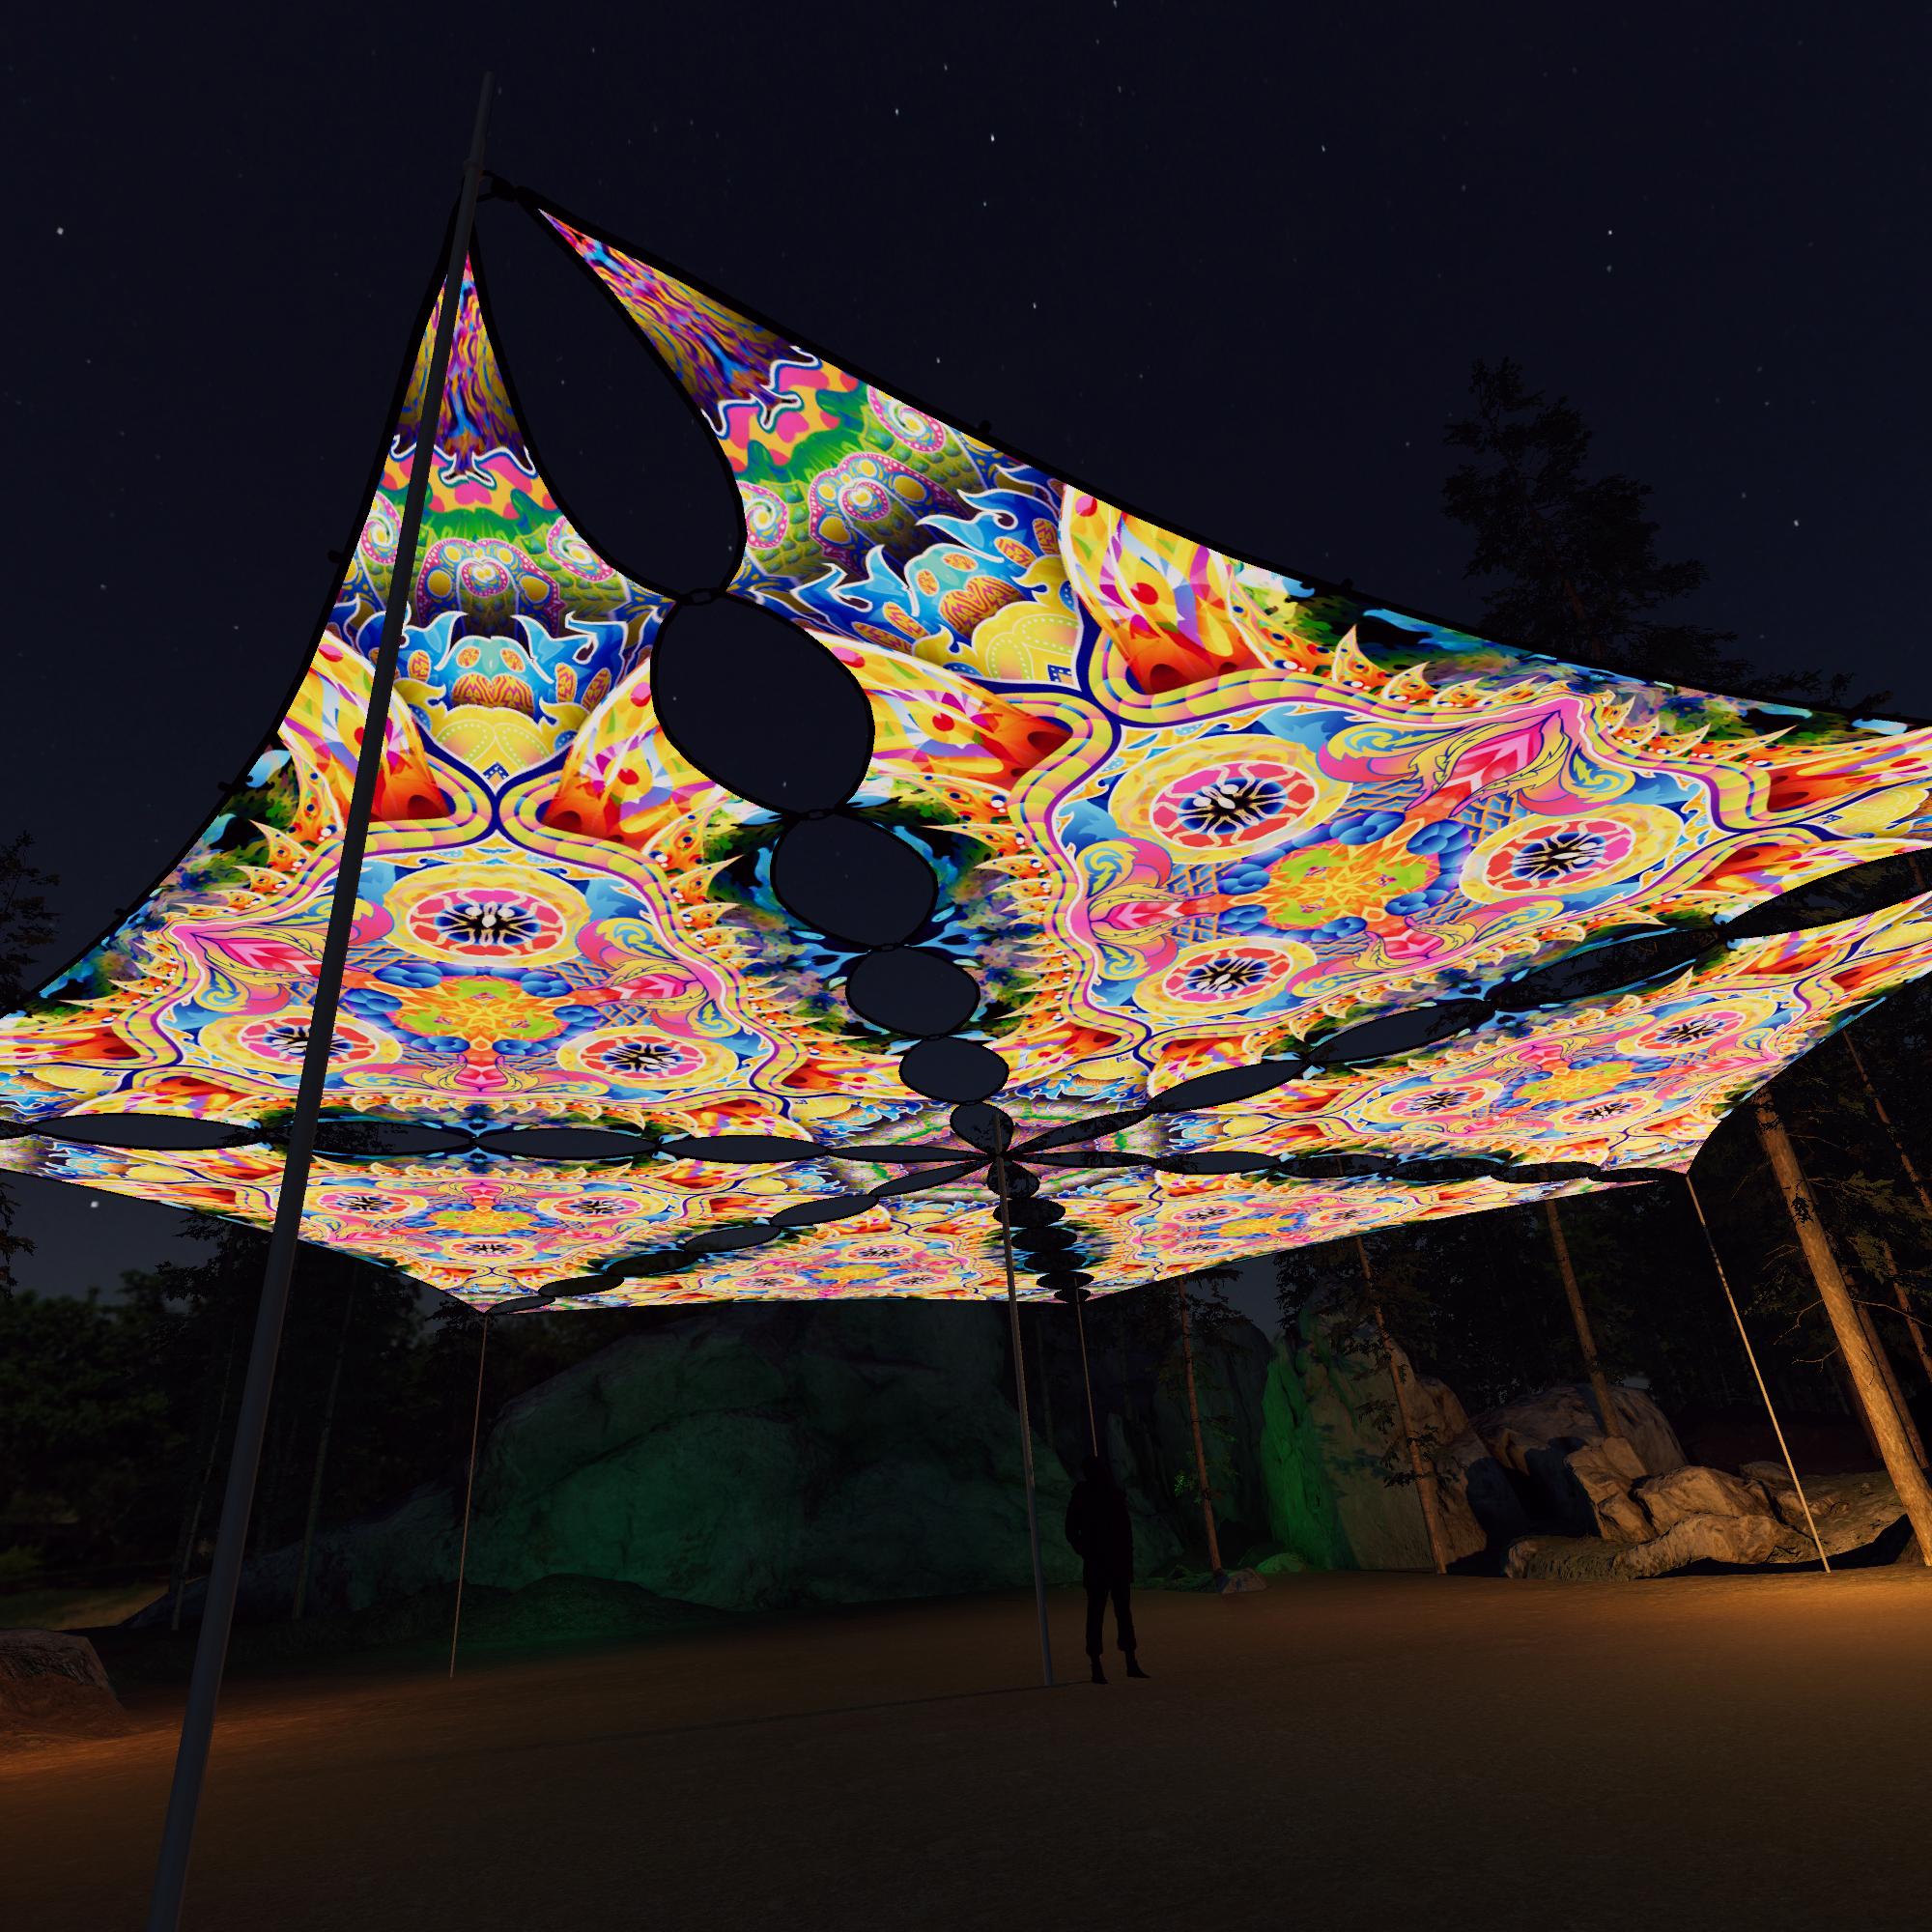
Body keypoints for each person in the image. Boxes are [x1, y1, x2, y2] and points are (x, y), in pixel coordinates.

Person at [1064, 1453, 1148, 1684]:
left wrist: (1125, 1559)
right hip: (1100, 1564)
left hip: (1115, 1563)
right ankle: (1099, 1665)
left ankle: (1127, 1662)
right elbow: (1071, 1530)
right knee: (1098, 1614)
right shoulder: (1084, 1496)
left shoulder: (1112, 1494)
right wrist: (1086, 1550)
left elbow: (1125, 1531)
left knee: (1119, 1614)